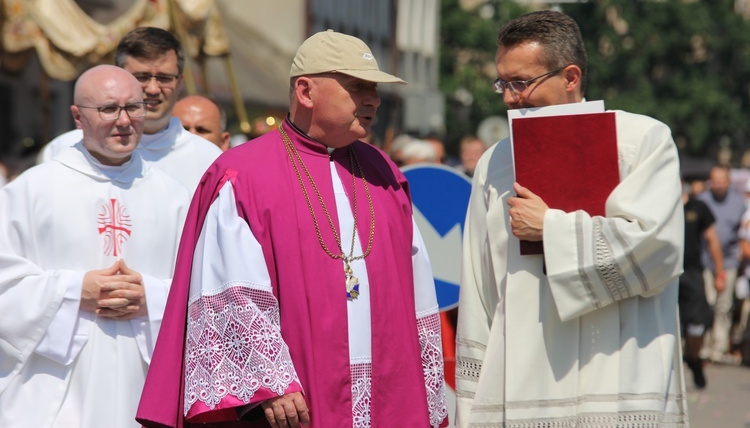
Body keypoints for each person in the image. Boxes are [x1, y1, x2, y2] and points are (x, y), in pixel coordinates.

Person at [136, 30, 448, 428]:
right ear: (305, 90)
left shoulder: (384, 172)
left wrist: (423, 376)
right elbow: (231, 287)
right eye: (358, 87)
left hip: (388, 388)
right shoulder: (245, 175)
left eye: (374, 89)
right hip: (297, 399)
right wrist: (271, 380)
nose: (373, 99)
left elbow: (416, 283)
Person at [455, 10, 687, 426]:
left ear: (571, 76)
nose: (509, 97)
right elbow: (479, 284)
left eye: (521, 83)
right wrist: (472, 405)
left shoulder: (643, 141)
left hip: (621, 379)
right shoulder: (495, 162)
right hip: (524, 379)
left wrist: (552, 228)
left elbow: (659, 250)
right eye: (502, 83)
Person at [0, 65, 190, 427]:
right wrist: (74, 292)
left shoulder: (173, 196)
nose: (124, 120)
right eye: (108, 109)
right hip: (55, 387)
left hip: (144, 382)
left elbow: (201, 289)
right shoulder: (31, 191)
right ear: (77, 117)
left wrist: (151, 296)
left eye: (134, 107)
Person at [38, 27, 222, 191]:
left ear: (179, 82)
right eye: (141, 77)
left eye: (164, 78)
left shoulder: (208, 159)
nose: (153, 89)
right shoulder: (63, 150)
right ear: (118, 75)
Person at [698, 164, 745, 363]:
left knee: (724, 305)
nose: (718, 185)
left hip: (729, 261)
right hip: (706, 260)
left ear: (728, 181)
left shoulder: (739, 203)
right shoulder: (702, 201)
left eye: (721, 181)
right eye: (714, 181)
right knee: (707, 303)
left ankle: (719, 345)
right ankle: (705, 345)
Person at [681, 180, 725, 388]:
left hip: (692, 273)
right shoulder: (662, 207)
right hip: (666, 274)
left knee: (697, 323)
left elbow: (712, 239)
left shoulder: (698, 208)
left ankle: (694, 358)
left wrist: (720, 272)